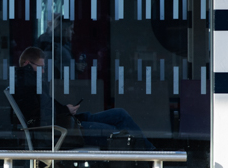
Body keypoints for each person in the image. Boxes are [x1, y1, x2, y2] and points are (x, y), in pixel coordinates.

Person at [13, 47, 153, 151]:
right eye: (40, 67)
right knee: (117, 133)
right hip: (62, 130)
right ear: (26, 63)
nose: (43, 71)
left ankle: (152, 154)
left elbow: (45, 107)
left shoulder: (30, 81)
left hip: (67, 123)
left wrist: (65, 109)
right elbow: (39, 114)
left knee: (120, 114)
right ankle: (152, 160)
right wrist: (64, 110)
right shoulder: (25, 82)